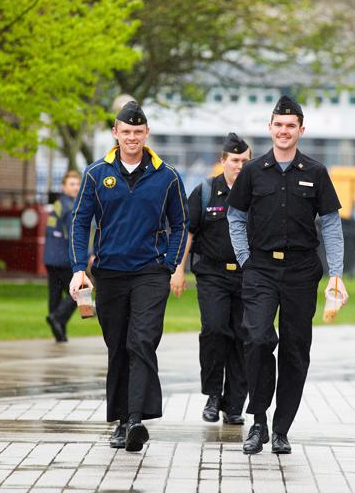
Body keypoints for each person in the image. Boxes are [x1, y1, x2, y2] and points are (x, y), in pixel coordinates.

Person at [227, 95, 349, 455]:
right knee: (258, 339)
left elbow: (330, 225)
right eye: (278, 125)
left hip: (300, 271)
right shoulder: (252, 171)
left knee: (295, 350)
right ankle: (259, 421)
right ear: (270, 128)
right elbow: (234, 217)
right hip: (260, 269)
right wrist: (246, 260)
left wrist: (336, 274)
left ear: (301, 130)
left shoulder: (315, 172)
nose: (284, 131)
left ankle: (281, 429)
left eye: (290, 126)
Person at [68, 100, 189, 452]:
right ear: (115, 134)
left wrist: (169, 263)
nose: (132, 137)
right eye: (126, 132)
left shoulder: (166, 176)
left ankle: (136, 420)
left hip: (150, 273)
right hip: (110, 274)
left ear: (146, 133)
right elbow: (79, 221)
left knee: (142, 341)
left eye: (138, 132)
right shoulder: (95, 174)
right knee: (118, 346)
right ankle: (121, 420)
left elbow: (180, 224)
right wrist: (79, 268)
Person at [171, 133, 251, 426]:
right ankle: (213, 395)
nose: (239, 165)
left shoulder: (257, 193)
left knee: (243, 338)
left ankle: (234, 405)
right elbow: (188, 233)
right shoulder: (205, 191)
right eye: (234, 160)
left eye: (245, 160)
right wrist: (178, 270)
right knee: (215, 330)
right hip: (212, 274)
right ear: (223, 161)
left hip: (246, 276)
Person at [43, 170, 81, 342]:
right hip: (63, 258)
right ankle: (57, 318)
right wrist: (86, 255)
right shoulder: (70, 207)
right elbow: (74, 234)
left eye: (77, 184)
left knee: (56, 294)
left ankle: (59, 331)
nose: (76, 187)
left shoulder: (58, 204)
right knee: (79, 293)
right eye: (72, 184)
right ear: (63, 187)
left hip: (50, 257)